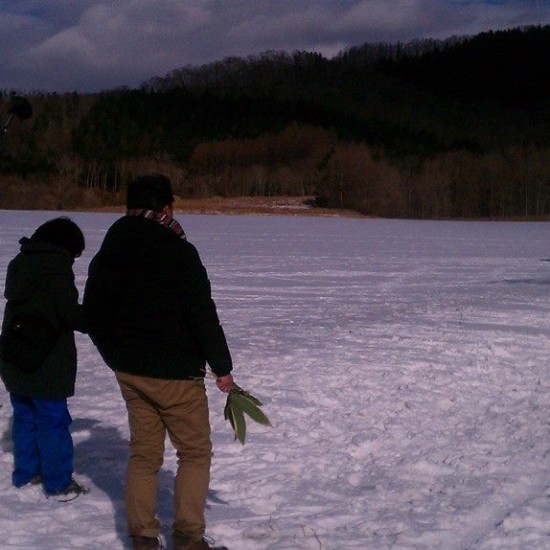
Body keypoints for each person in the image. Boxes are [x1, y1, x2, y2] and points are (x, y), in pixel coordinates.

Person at [83, 174, 233, 550]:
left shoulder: (110, 252)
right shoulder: (179, 252)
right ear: (166, 208)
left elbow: (93, 315)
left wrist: (116, 357)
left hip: (130, 372)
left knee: (145, 453)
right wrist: (223, 366)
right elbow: (202, 314)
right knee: (195, 452)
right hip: (176, 375)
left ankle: (144, 538)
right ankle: (188, 538)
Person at [0, 217, 88, 500]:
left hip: (14, 354)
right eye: (75, 254)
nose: (74, 260)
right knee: (53, 421)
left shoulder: (21, 261)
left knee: (24, 416)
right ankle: (58, 482)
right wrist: (97, 317)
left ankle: (26, 473)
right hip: (45, 360)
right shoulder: (55, 268)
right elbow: (69, 313)